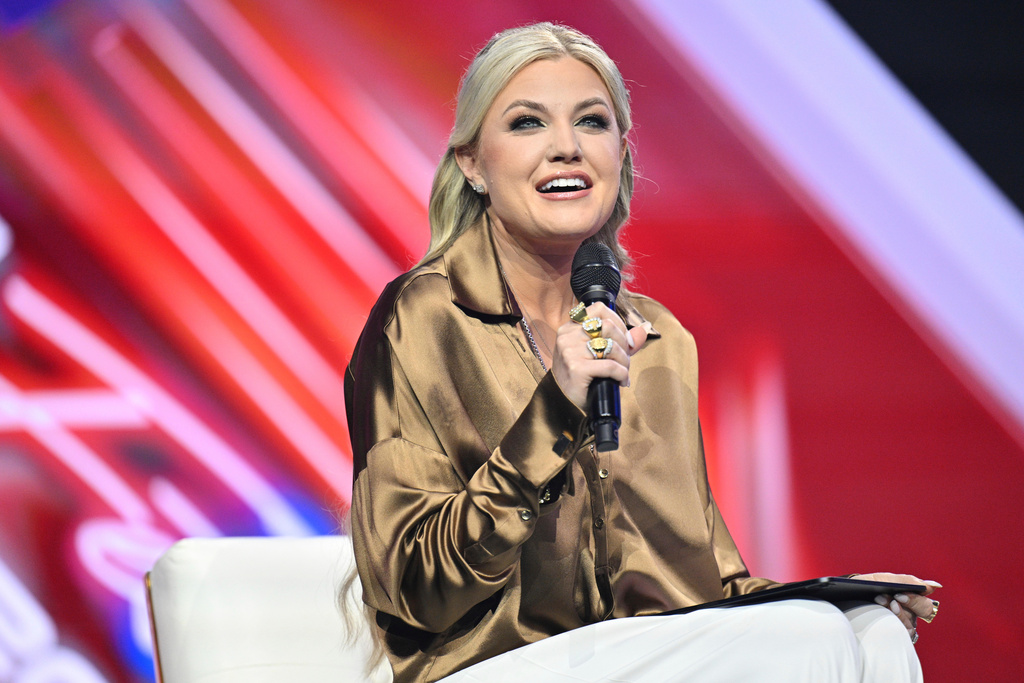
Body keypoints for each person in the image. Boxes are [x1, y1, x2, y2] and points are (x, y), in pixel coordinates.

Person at [345, 22, 940, 683]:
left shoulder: (657, 340)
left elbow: (706, 590)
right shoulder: (423, 317)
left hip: (640, 657)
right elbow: (411, 586)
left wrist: (834, 591)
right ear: (472, 163)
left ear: (620, 153)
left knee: (875, 633)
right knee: (811, 638)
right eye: (526, 124)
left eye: (591, 123)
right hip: (489, 664)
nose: (566, 147)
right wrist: (553, 413)